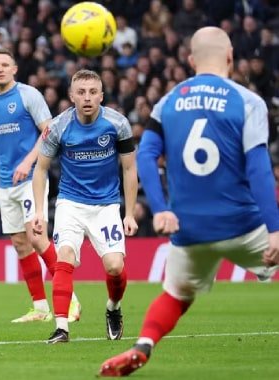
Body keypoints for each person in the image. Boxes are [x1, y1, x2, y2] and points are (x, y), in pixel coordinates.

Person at [99, 27, 279, 377]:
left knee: (177, 294)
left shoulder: (167, 103)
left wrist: (162, 208)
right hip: (243, 224)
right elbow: (259, 169)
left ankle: (143, 345)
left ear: (191, 60)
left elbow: (147, 156)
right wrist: (274, 229)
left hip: (188, 229)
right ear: (230, 57)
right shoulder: (247, 101)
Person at [0, 47, 80, 324]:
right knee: (20, 243)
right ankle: (40, 307)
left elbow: (48, 130)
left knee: (37, 237)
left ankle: (71, 299)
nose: (0, 69)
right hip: (6, 183)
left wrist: (28, 161)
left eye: (5, 64)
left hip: (32, 178)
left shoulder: (28, 95)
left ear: (14, 68)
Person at [31, 69, 138, 344]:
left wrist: (129, 213)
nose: (87, 98)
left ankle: (113, 308)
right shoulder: (58, 126)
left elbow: (129, 169)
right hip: (70, 203)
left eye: (93, 92)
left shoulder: (118, 124)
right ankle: (61, 327)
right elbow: (40, 169)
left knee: (114, 266)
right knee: (64, 256)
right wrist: (40, 212)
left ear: (102, 95)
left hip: (106, 205)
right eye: (81, 92)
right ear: (71, 96)